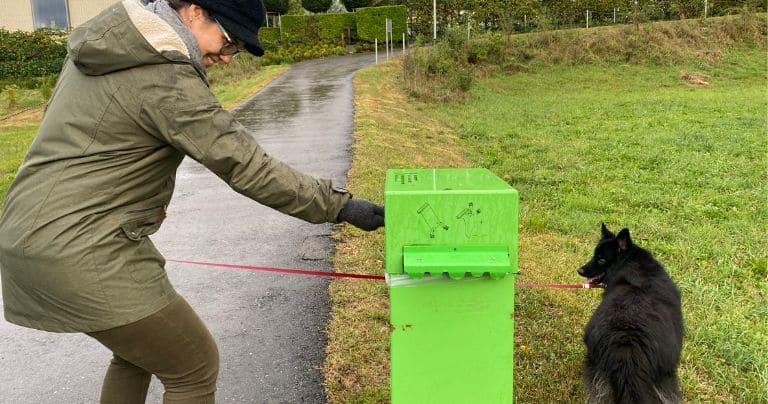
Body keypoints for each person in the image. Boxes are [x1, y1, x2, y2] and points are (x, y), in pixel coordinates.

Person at [0, 0, 384, 402]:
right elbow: (246, 165)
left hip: (30, 230)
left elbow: (92, 144)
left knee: (140, 354)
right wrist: (339, 206)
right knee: (194, 366)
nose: (226, 55)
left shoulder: (106, 50)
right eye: (229, 40)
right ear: (195, 11)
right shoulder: (164, 75)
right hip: (82, 246)